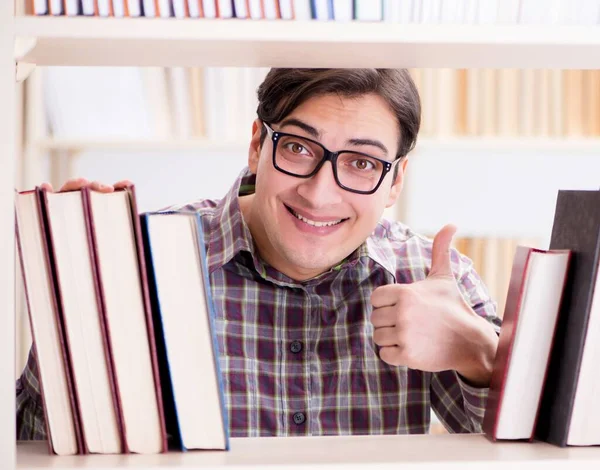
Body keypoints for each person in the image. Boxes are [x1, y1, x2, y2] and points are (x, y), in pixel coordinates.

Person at [16, 68, 500, 440]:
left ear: (394, 181)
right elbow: (27, 444)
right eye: (298, 147)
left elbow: (531, 448)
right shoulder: (139, 262)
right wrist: (74, 313)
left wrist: (476, 352)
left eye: (361, 163)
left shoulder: (435, 279)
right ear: (256, 146)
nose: (319, 193)